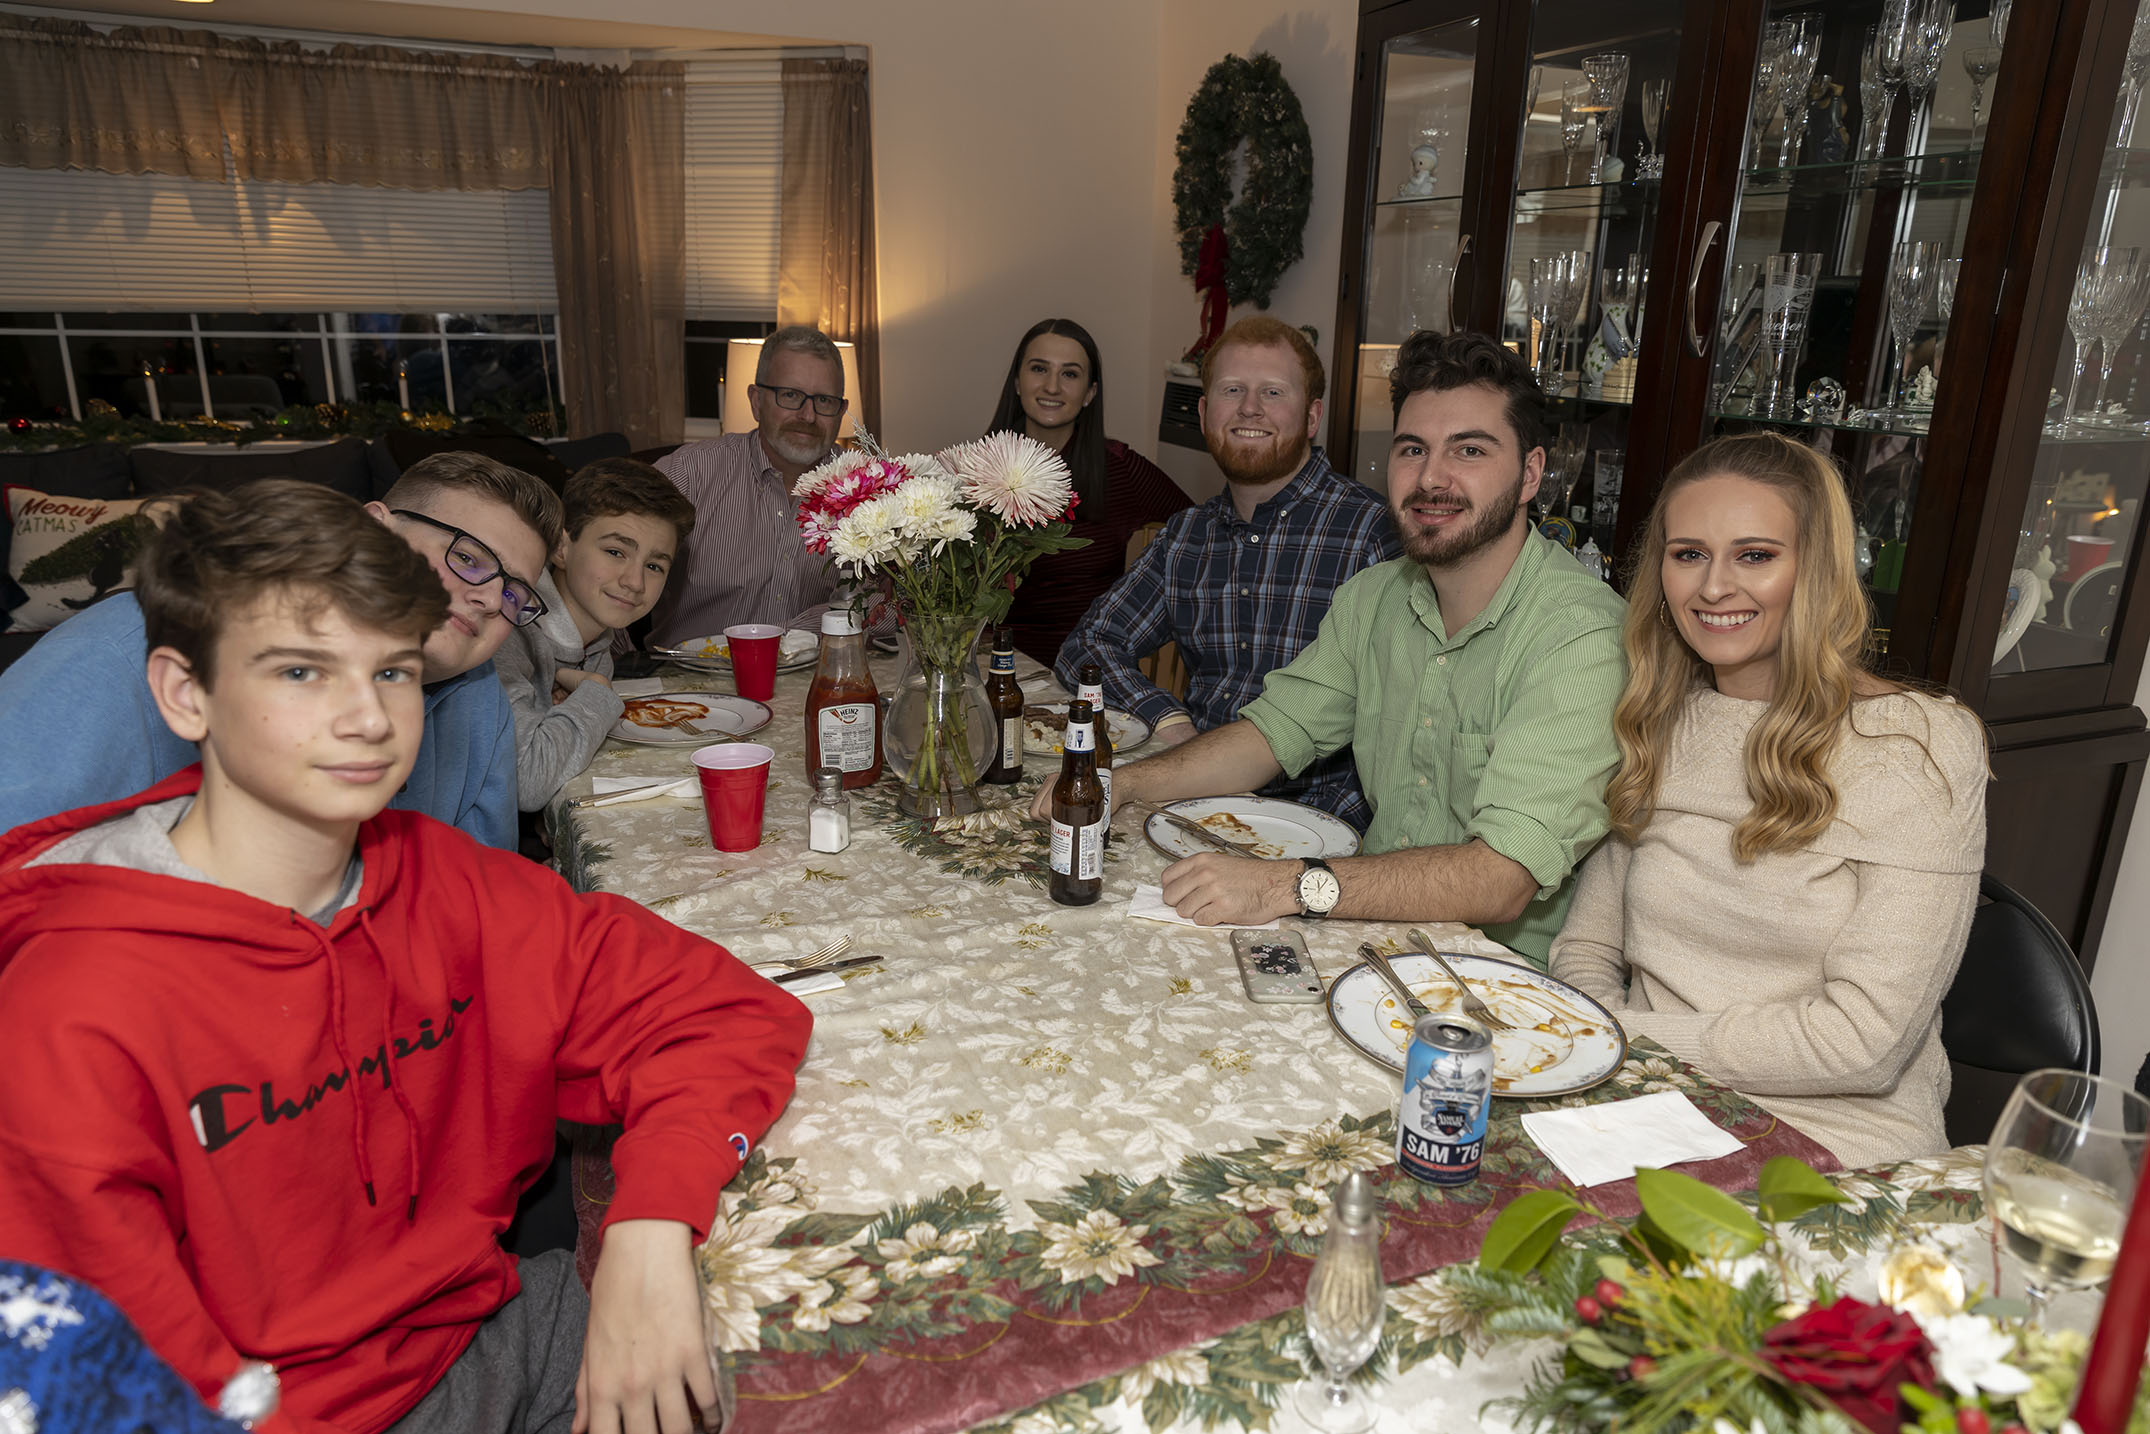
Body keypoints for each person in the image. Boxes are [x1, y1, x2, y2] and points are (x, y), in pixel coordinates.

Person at [0, 480, 811, 1434]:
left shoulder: (449, 883)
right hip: (285, 1412)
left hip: (488, 1327)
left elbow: (725, 1013)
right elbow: (110, 1394)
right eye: (301, 672)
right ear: (187, 694)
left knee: (827, 1350)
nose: (369, 718)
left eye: (390, 670)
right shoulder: (73, 1010)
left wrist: (648, 1224)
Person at [1045, 330, 1628, 965]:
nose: (1432, 477)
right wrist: (1120, 783)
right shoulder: (1375, 597)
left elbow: (1501, 878)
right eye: (1413, 449)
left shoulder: (1581, 633)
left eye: (1469, 450)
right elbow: (1269, 737)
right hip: (1369, 938)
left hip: (1500, 978)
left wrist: (1281, 886)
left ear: (1530, 474)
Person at [1549, 431, 1987, 1167]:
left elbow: (1864, 1045)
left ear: (1815, 569)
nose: (1713, 587)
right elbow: (1587, 948)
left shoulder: (1918, 747)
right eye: (1689, 554)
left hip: (1836, 1137)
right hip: (1648, 1097)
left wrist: (1621, 1037)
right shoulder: (1666, 717)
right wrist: (1613, 1054)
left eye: (1754, 555)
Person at [0, 453, 558, 851]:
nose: (491, 599)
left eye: (515, 594)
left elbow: (480, 892)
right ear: (374, 529)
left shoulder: (480, 693)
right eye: (468, 558)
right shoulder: (118, 659)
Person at [1056, 316, 1399, 828]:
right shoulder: (1187, 536)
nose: (1249, 408)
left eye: (1273, 392)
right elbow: (1087, 645)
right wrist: (1169, 721)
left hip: (1317, 823)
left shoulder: (1373, 534)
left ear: (1312, 417)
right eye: (1232, 390)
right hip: (1191, 799)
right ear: (1203, 413)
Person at [984, 318, 1192, 664]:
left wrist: (1142, 613)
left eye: (1070, 374)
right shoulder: (977, 469)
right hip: (994, 665)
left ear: (1090, 393)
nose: (1052, 386)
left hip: (1086, 670)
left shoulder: (1120, 468)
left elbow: (1201, 531)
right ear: (1018, 383)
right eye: (1039, 369)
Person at [496, 458, 695, 811]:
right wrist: (597, 693)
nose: (635, 582)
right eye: (615, 552)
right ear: (561, 547)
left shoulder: (597, 647)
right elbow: (525, 780)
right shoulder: (505, 632)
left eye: (654, 565)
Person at [646, 324, 848, 647]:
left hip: (816, 673)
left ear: (841, 411)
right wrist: (616, 664)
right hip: (690, 673)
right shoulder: (689, 474)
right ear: (756, 401)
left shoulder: (868, 491)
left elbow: (889, 610)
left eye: (824, 400)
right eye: (790, 395)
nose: (808, 416)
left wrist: (788, 636)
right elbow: (605, 565)